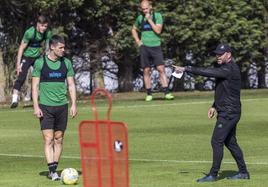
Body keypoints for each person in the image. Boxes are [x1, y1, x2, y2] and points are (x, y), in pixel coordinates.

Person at [174, 43, 249, 182]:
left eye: (220, 54)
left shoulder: (229, 68)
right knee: (230, 142)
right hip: (228, 110)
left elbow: (207, 72)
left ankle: (213, 174)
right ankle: (243, 173)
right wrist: (214, 106)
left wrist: (186, 68)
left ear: (229, 54)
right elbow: (223, 89)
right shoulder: (224, 68)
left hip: (229, 112)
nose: (217, 57)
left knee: (216, 141)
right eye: (216, 54)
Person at [32, 35, 77, 181]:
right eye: (60, 48)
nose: (63, 50)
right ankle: (52, 171)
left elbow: (71, 85)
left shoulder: (67, 63)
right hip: (45, 107)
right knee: (48, 139)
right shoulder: (40, 63)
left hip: (62, 106)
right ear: (52, 47)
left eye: (64, 47)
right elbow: (35, 86)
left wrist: (74, 104)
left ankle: (54, 169)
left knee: (59, 138)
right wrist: (36, 106)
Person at [131, 0, 174, 101]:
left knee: (161, 69)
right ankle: (149, 94)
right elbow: (133, 29)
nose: (145, 11)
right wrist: (138, 41)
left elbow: (158, 30)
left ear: (150, 7)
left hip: (156, 46)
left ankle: (166, 92)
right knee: (146, 70)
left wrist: (149, 20)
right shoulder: (140, 18)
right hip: (144, 47)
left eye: (146, 8)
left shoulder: (157, 16)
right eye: (143, 9)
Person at [10, 14, 52, 108]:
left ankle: (46, 98)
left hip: (37, 57)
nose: (44, 28)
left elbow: (48, 47)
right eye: (42, 26)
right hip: (26, 57)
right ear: (37, 24)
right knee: (21, 77)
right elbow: (21, 48)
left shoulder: (47, 33)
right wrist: (18, 64)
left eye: (45, 26)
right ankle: (14, 99)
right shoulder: (30, 32)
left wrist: (47, 56)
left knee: (44, 76)